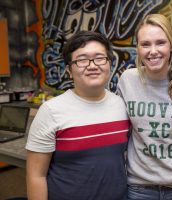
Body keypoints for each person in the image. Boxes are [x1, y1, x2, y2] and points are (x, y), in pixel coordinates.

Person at [26, 31, 130, 200]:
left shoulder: (121, 105)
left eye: (99, 57)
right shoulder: (51, 110)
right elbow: (36, 176)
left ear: (109, 64)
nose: (92, 65)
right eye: (82, 60)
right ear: (69, 70)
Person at [117, 14, 172, 200]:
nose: (153, 51)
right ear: (138, 48)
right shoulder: (128, 80)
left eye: (160, 43)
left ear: (171, 46)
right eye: (145, 44)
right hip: (139, 188)